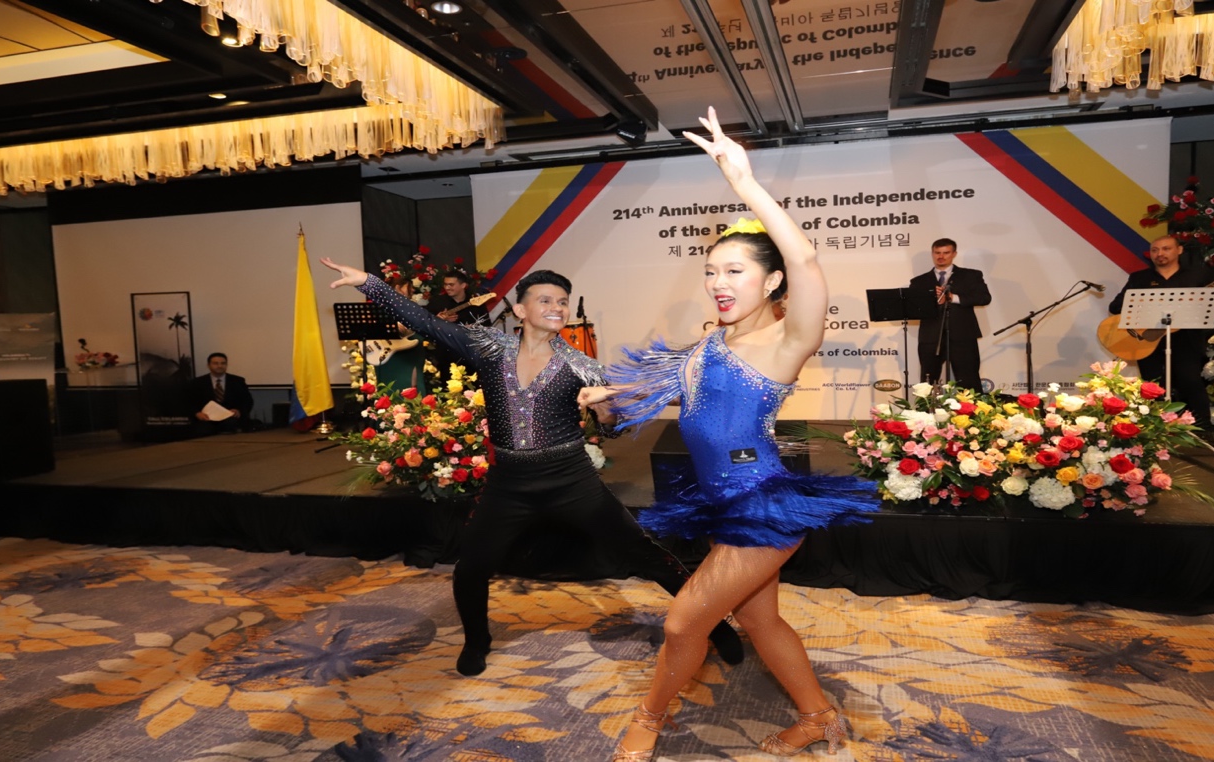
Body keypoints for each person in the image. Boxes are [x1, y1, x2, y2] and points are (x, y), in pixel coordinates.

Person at [578, 107, 879, 760]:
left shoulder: (784, 339)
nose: (718, 283)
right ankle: (818, 715)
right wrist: (612, 395)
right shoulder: (710, 342)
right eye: (711, 272)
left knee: (685, 618)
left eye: (734, 272)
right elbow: (691, 401)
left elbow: (802, 255)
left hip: (761, 505)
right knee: (759, 617)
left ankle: (647, 721)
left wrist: (742, 183)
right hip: (722, 498)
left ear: (770, 281)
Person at [319, 258, 744, 678]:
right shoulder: (487, 348)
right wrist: (369, 283)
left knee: (645, 555)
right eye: (545, 299)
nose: (557, 307)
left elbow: (616, 422)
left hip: (571, 480)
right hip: (508, 484)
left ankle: (715, 625)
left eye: (563, 300)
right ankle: (477, 641)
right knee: (471, 566)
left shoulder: (581, 366)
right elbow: (427, 322)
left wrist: (610, 409)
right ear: (520, 310)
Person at [1108, 234, 1214, 437]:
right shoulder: (1140, 278)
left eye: (1166, 249)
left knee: (1191, 382)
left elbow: (1211, 304)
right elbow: (1115, 307)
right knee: (1152, 387)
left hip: (1187, 340)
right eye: (1155, 250)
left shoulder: (1198, 276)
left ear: (1179, 250)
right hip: (1148, 341)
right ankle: (1154, 432)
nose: (1160, 254)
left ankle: (1203, 432)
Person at [909, 238, 992, 393]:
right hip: (930, 337)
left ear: (954, 254)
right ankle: (927, 415)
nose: (941, 256)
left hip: (963, 335)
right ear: (932, 254)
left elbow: (984, 298)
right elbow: (914, 309)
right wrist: (931, 301)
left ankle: (971, 414)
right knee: (927, 382)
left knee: (968, 379)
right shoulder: (919, 281)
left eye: (946, 253)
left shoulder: (971, 275)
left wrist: (953, 298)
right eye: (937, 253)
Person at [186, 352, 253, 434]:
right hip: (206, 419)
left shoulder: (237, 381)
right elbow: (189, 402)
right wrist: (197, 413)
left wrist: (238, 411)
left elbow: (247, 400)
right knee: (202, 430)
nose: (219, 366)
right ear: (208, 365)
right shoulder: (197, 382)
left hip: (230, 418)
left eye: (223, 363)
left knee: (231, 426)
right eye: (215, 363)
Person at [426, 270, 491, 326]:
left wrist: (473, 328)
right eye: (445, 284)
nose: (447, 288)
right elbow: (425, 324)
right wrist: (439, 321)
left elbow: (487, 326)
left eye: (451, 285)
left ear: (463, 285)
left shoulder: (477, 304)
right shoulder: (436, 301)